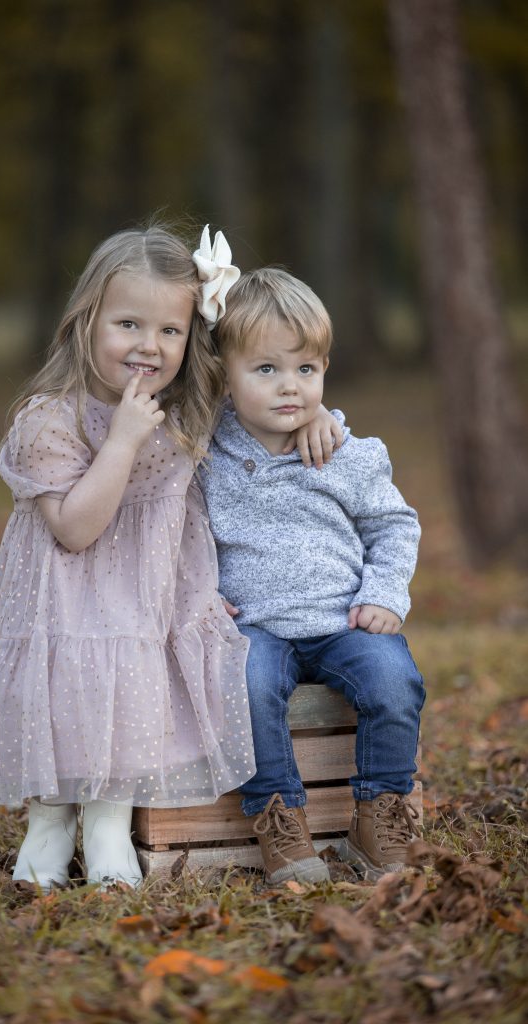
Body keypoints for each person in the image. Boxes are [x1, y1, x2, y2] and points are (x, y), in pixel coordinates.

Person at [0, 226, 341, 891]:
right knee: (66, 693)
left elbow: (274, 385)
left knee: (129, 693)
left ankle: (109, 822)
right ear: (86, 322)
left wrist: (320, 419)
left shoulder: (188, 410)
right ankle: (50, 820)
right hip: (65, 597)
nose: (148, 344)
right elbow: (76, 531)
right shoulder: (45, 419)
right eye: (127, 324)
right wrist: (120, 440)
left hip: (147, 600)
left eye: (169, 330)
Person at [199, 267, 425, 884]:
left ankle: (379, 813)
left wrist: (383, 594)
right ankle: (281, 821)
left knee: (393, 681)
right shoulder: (203, 454)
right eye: (266, 370)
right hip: (255, 628)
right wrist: (199, 592)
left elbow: (394, 526)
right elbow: (178, 533)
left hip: (341, 620)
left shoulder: (343, 452)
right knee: (246, 686)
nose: (290, 388)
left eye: (306, 369)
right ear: (225, 375)